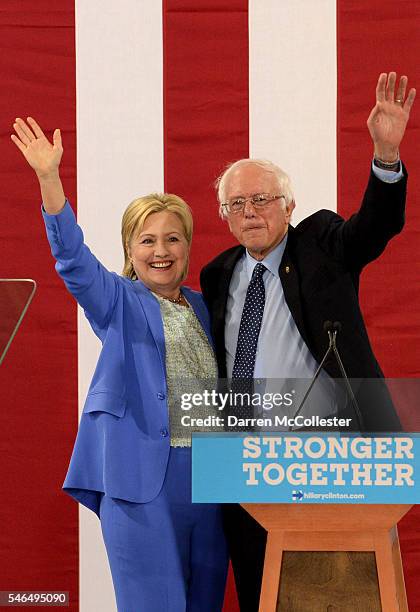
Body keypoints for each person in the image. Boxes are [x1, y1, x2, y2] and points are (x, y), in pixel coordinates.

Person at [200, 72, 416, 612]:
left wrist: (386, 156)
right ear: (224, 216)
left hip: (329, 454)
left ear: (289, 206)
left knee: (332, 589)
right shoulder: (217, 274)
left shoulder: (322, 243)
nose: (250, 212)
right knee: (259, 587)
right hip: (245, 460)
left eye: (261, 199)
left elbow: (374, 226)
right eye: (236, 204)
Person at [11, 117, 228, 612]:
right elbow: (73, 261)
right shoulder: (118, 300)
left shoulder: (204, 305)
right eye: (147, 239)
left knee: (203, 604)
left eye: (172, 239)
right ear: (130, 249)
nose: (160, 250)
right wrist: (50, 179)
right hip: (140, 479)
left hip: (214, 478)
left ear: (188, 247)